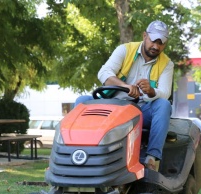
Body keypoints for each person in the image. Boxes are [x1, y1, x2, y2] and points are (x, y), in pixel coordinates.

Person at [73, 20, 174, 171]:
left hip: (140, 111)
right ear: (145, 36)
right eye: (154, 41)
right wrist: (125, 86)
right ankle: (79, 151)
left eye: (161, 43)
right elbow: (104, 73)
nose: (156, 46)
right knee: (82, 101)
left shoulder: (167, 64)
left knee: (164, 105)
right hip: (112, 107)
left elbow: (165, 93)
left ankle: (151, 158)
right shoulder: (125, 50)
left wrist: (151, 91)